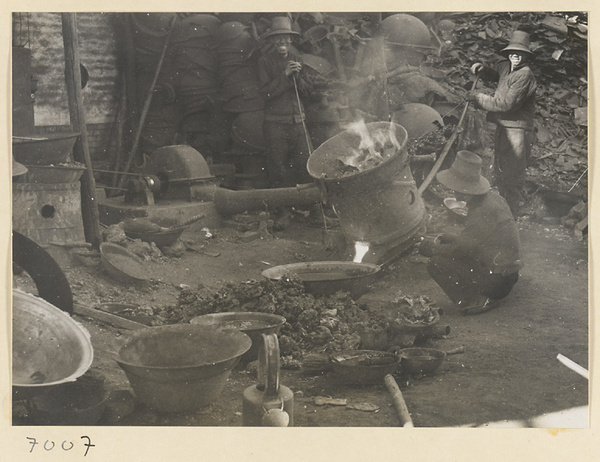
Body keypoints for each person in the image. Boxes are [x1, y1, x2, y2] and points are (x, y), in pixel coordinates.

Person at [423, 150, 523, 315]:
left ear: (465, 190)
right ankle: (482, 294)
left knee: (436, 263)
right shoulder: (493, 199)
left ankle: (478, 301)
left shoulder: (482, 211)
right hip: (507, 274)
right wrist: (452, 238)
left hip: (498, 282)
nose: (454, 192)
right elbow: (480, 239)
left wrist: (432, 249)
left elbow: (462, 250)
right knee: (450, 241)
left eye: (456, 189)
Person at [467, 30, 537, 217]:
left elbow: (506, 104)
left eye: (520, 53)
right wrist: (481, 69)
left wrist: (478, 99)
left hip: (517, 132)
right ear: (508, 52)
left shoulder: (525, 75)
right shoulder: (505, 66)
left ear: (526, 55)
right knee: (499, 171)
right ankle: (500, 214)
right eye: (513, 52)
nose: (515, 56)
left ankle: (510, 218)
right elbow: (495, 75)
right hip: (503, 127)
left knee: (511, 176)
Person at [257, 16, 314, 189]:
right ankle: (282, 212)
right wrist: (286, 75)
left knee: (306, 165)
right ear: (273, 40)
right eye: (278, 37)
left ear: (291, 40)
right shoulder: (264, 62)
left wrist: (297, 77)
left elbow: (308, 91)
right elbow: (265, 93)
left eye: (286, 38)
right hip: (276, 124)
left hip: (298, 122)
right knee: (278, 170)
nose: (282, 41)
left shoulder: (298, 59)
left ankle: (307, 209)